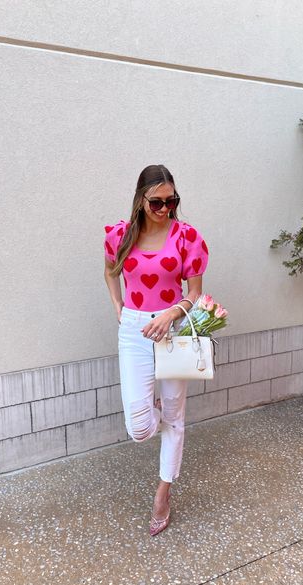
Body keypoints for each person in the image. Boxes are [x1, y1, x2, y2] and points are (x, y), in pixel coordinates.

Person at [104, 164, 208, 536]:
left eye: (172, 201)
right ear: (141, 198)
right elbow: (110, 271)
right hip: (134, 331)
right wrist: (118, 305)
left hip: (172, 330)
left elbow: (194, 293)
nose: (166, 209)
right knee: (139, 427)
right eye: (158, 202)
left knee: (176, 417)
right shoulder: (121, 234)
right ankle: (168, 418)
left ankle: (163, 494)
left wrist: (171, 313)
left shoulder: (187, 237)